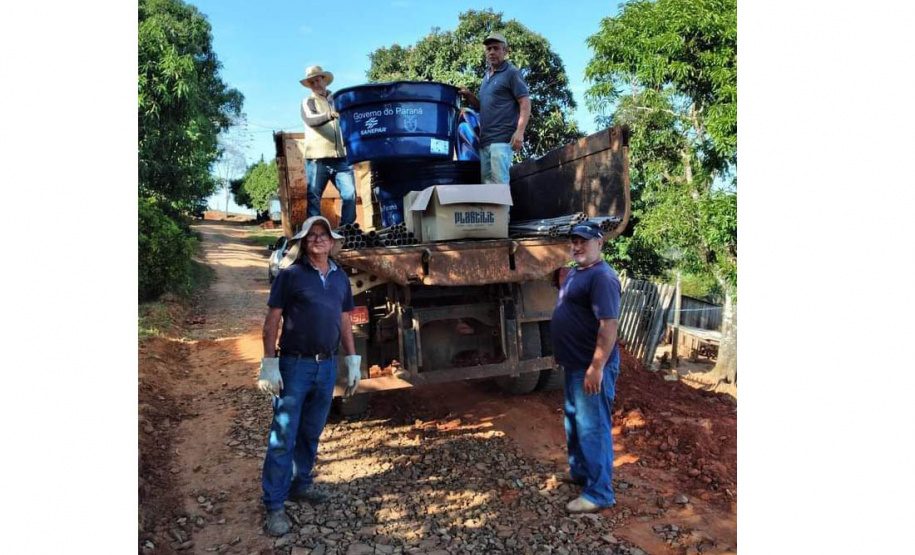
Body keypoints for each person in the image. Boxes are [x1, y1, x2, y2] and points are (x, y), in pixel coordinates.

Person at [256, 215, 363, 536]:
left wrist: (353, 359)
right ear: (304, 242)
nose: (318, 239)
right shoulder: (290, 276)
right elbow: (272, 321)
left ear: (332, 243)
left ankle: (301, 483)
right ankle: (274, 505)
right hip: (294, 365)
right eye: (312, 235)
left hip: (327, 366)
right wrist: (269, 363)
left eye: (324, 235)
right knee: (283, 436)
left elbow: (345, 320)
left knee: (312, 430)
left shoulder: (340, 277)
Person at [550, 221, 622, 513]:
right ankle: (580, 471)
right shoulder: (578, 271)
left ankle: (599, 493)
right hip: (574, 363)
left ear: (600, 243)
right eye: (574, 241)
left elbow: (609, 325)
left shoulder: (603, 278)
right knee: (574, 421)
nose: (577, 246)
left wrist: (597, 366)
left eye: (584, 241)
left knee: (593, 428)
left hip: (590, 365)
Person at [458, 32, 531, 184]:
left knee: (499, 187)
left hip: (501, 140)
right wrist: (469, 96)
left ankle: (504, 209)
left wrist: (520, 132)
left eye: (496, 48)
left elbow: (525, 102)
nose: (492, 52)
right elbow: (481, 108)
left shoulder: (511, 73)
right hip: (485, 142)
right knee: (487, 189)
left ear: (505, 51)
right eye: (489, 49)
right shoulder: (486, 77)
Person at [300, 65, 356, 225]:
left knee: (350, 195)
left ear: (324, 80)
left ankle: (347, 231)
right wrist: (330, 114)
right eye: (312, 82)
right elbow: (311, 119)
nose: (315, 84)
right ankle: (315, 233)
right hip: (317, 158)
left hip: (341, 157)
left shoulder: (338, 100)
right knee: (314, 197)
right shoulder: (308, 101)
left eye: (317, 80)